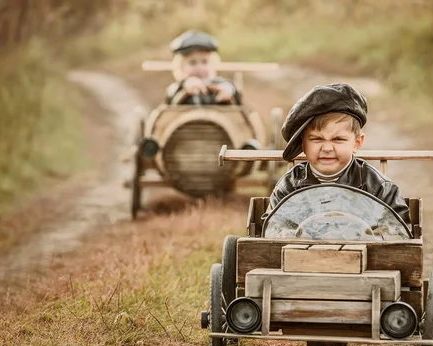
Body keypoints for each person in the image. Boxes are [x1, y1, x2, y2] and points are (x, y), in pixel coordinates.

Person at [263, 83, 411, 225]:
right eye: (316, 139)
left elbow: (398, 236)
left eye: (338, 139)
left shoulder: (380, 189)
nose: (327, 148)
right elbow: (272, 232)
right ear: (303, 144)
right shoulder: (289, 187)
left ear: (357, 143)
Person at [166, 30, 240, 105]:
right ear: (181, 67)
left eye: (205, 62)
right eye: (192, 62)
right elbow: (171, 97)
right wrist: (184, 86)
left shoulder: (219, 84)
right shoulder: (177, 88)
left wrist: (228, 90)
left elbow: (235, 95)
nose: (199, 68)